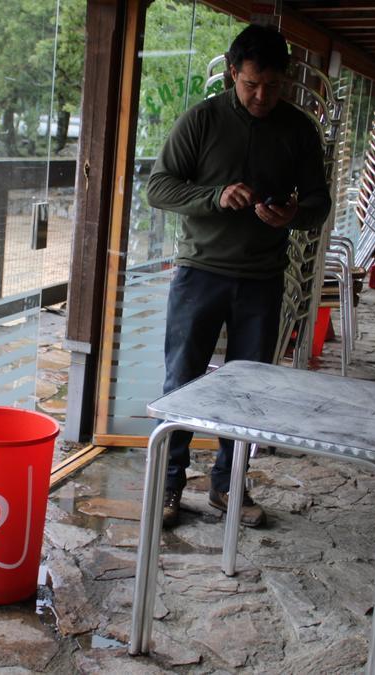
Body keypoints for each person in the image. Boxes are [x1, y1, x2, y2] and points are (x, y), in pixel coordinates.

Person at [146, 24, 332, 529]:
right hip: (200, 272)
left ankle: (229, 486)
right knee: (181, 381)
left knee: (249, 392)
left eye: (272, 86)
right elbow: (158, 188)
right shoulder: (202, 120)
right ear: (232, 73)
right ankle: (168, 485)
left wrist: (292, 215)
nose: (261, 96)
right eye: (251, 84)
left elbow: (319, 202)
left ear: (285, 81)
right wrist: (214, 196)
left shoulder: (297, 129)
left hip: (263, 278)